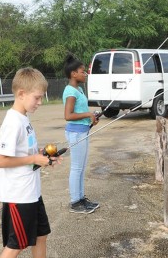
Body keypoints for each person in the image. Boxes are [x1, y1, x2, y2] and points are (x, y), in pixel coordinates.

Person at [0, 68, 62, 258]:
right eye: (37, 98)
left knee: (41, 235)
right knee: (17, 244)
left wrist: (41, 156)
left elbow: (23, 153)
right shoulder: (13, 122)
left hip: (32, 192)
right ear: (21, 94)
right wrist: (33, 159)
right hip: (19, 195)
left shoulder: (24, 118)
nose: (40, 102)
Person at [63, 54, 99, 214]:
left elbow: (81, 112)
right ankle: (75, 202)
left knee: (82, 167)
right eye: (82, 72)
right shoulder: (71, 91)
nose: (85, 74)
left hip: (82, 131)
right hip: (75, 134)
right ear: (73, 74)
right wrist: (87, 115)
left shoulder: (79, 89)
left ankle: (81, 197)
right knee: (76, 168)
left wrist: (91, 118)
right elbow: (68, 115)